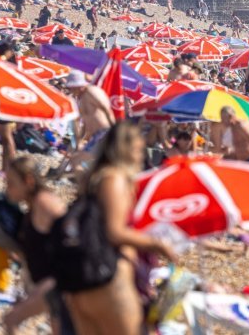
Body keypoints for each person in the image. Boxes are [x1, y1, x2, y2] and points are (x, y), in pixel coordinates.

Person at [64, 122, 176, 335]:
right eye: (137, 147)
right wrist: (157, 245)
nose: (141, 152)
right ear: (125, 148)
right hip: (109, 275)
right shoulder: (114, 178)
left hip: (85, 274)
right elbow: (115, 232)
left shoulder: (98, 178)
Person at [3, 156, 69, 334]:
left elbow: (72, 239)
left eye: (11, 183)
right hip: (49, 285)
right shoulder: (33, 206)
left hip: (58, 285)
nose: (7, 189)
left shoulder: (45, 204)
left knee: (11, 320)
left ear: (29, 181)